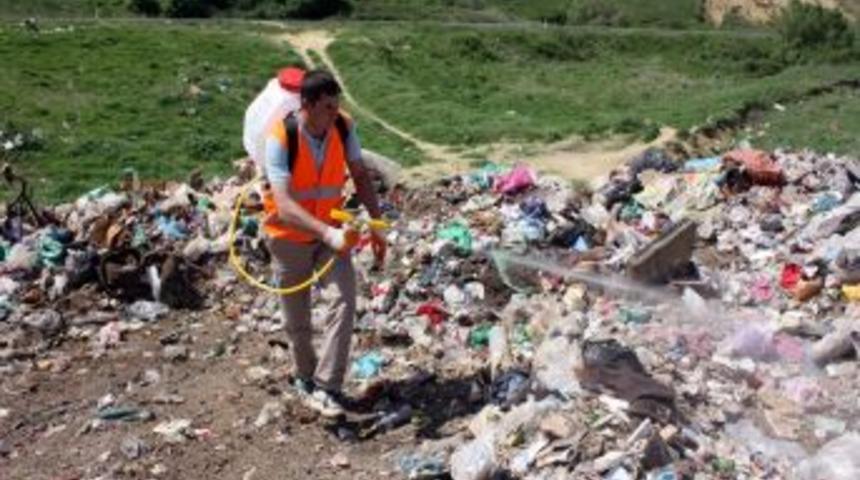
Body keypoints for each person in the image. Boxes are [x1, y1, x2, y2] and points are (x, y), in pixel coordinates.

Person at [261, 69, 386, 417]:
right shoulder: (281, 137)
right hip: (289, 239)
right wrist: (328, 233)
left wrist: (376, 226)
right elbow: (284, 204)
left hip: (332, 233)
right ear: (308, 104)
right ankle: (304, 378)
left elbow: (359, 174)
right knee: (297, 322)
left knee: (344, 300)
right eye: (328, 107)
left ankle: (327, 387)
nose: (335, 113)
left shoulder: (343, 127)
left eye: (336, 106)